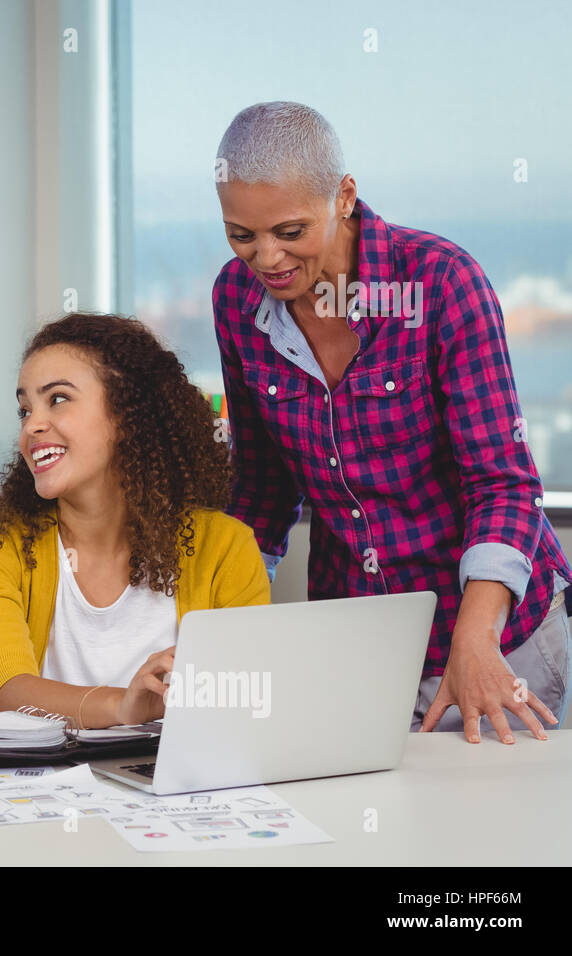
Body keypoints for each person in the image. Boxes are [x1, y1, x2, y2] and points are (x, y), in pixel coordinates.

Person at [212, 101, 572, 744]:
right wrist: (215, 638)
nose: (267, 258)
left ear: (343, 196)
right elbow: (263, 493)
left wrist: (475, 637)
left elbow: (503, 485)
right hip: (357, 644)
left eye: (291, 231)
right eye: (242, 235)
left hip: (493, 638)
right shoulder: (235, 300)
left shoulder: (440, 282)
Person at [0, 313, 270, 728]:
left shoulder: (226, 547)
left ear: (126, 414)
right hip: (40, 788)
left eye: (58, 399)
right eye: (24, 409)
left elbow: (248, 702)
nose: (32, 425)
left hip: (173, 785)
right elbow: (9, 693)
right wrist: (125, 706)